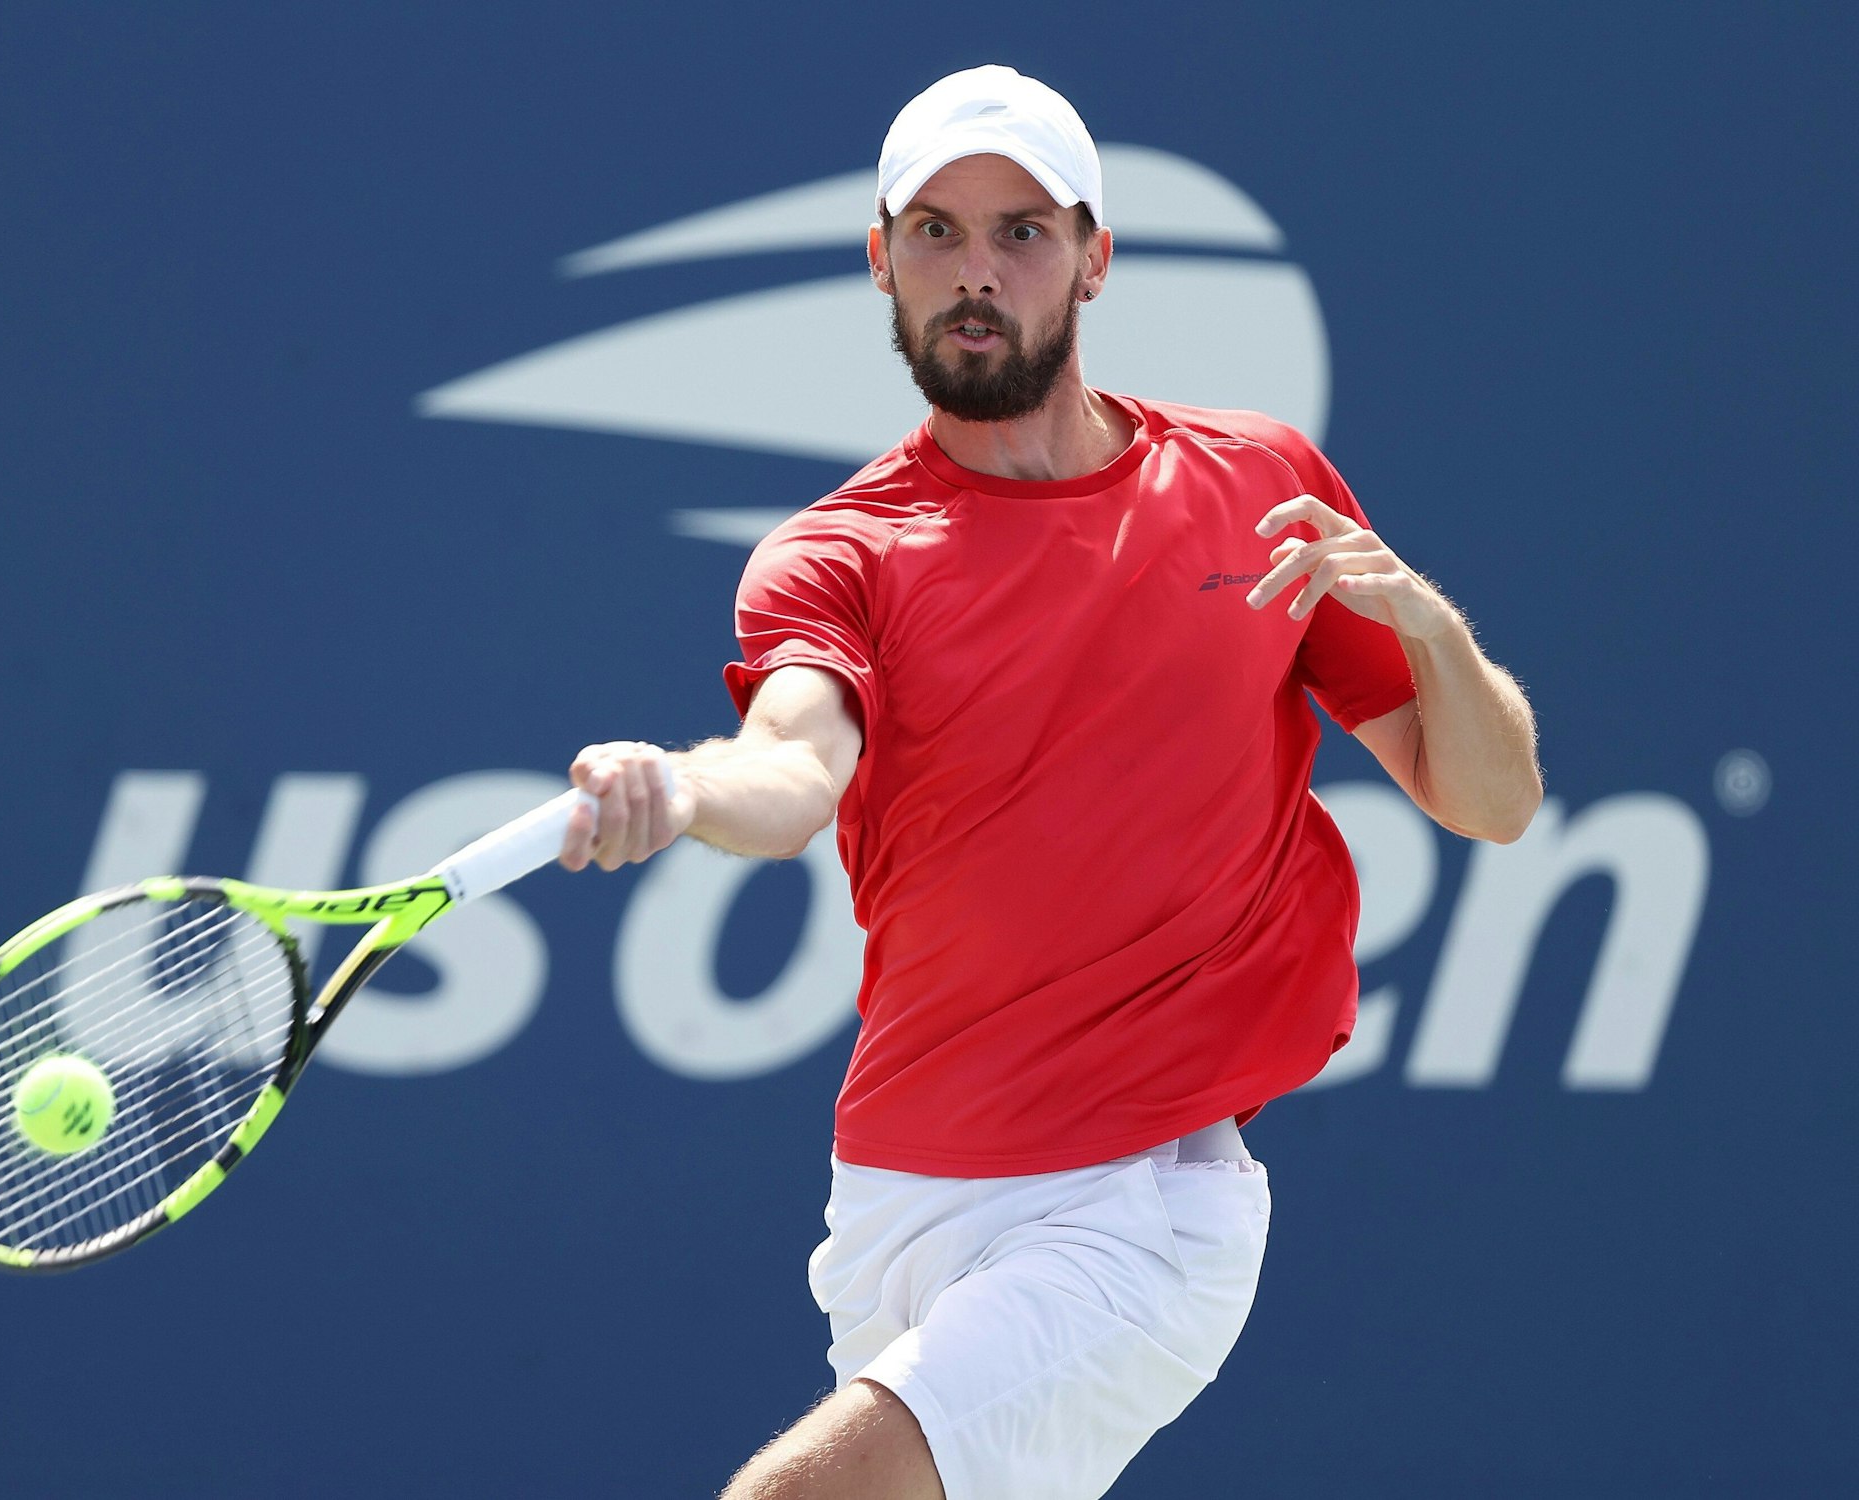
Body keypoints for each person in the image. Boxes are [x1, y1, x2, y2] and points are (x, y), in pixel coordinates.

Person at [556, 65, 1541, 1500]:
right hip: (897, 1196)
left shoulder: (1261, 489)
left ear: (1094, 258)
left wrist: (1431, 629)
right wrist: (691, 790)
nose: (978, 272)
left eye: (1022, 232)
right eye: (940, 233)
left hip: (1141, 1207)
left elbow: (1495, 801)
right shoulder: (837, 555)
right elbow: (792, 764)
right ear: (881, 260)